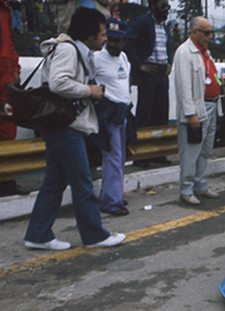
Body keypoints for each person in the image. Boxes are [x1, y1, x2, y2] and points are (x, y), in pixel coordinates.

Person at [25, 7, 124, 250]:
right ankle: (94, 235)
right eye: (101, 34)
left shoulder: (77, 51)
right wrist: (88, 91)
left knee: (55, 181)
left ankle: (38, 233)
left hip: (64, 124)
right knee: (82, 182)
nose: (104, 38)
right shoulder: (68, 50)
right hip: (65, 125)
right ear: (89, 35)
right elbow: (59, 82)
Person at [173, 16, 221, 205]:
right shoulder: (184, 52)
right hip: (196, 110)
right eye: (206, 32)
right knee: (191, 152)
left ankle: (201, 185)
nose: (210, 36)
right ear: (194, 32)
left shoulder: (205, 52)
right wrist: (191, 113)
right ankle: (186, 189)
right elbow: (183, 86)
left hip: (211, 106)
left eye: (211, 32)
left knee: (206, 151)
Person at [91, 17, 132, 216]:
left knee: (120, 157)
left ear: (125, 41)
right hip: (108, 113)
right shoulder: (96, 58)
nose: (113, 43)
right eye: (110, 39)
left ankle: (113, 193)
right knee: (113, 158)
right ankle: (111, 201)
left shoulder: (124, 58)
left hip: (122, 112)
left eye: (117, 40)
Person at [125, 0, 172, 167]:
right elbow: (128, 42)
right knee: (145, 113)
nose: (166, 10)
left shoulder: (165, 27)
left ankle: (158, 153)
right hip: (148, 72)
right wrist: (139, 65)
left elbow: (168, 47)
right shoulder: (142, 22)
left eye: (168, 6)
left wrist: (169, 63)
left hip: (161, 73)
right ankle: (142, 156)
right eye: (162, 6)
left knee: (161, 113)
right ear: (152, 5)